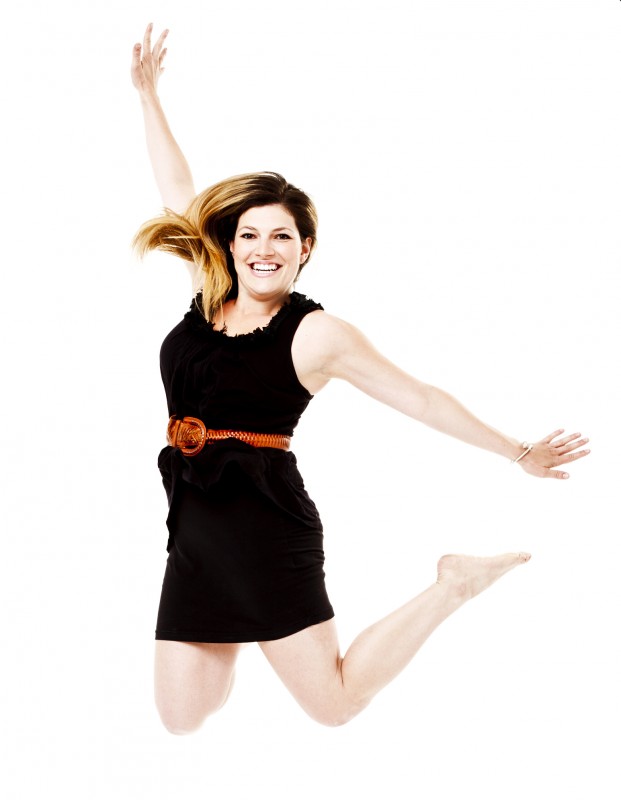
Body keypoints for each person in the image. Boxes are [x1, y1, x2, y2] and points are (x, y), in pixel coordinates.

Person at [130, 23, 590, 734]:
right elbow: (178, 190)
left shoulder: (318, 334)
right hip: (194, 526)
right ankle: (249, 624)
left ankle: (453, 584)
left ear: (304, 248)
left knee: (334, 704)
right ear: (230, 243)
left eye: (281, 236)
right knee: (181, 717)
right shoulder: (208, 289)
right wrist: (148, 95)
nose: (262, 249)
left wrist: (518, 451)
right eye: (249, 234)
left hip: (263, 523)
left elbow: (421, 399)